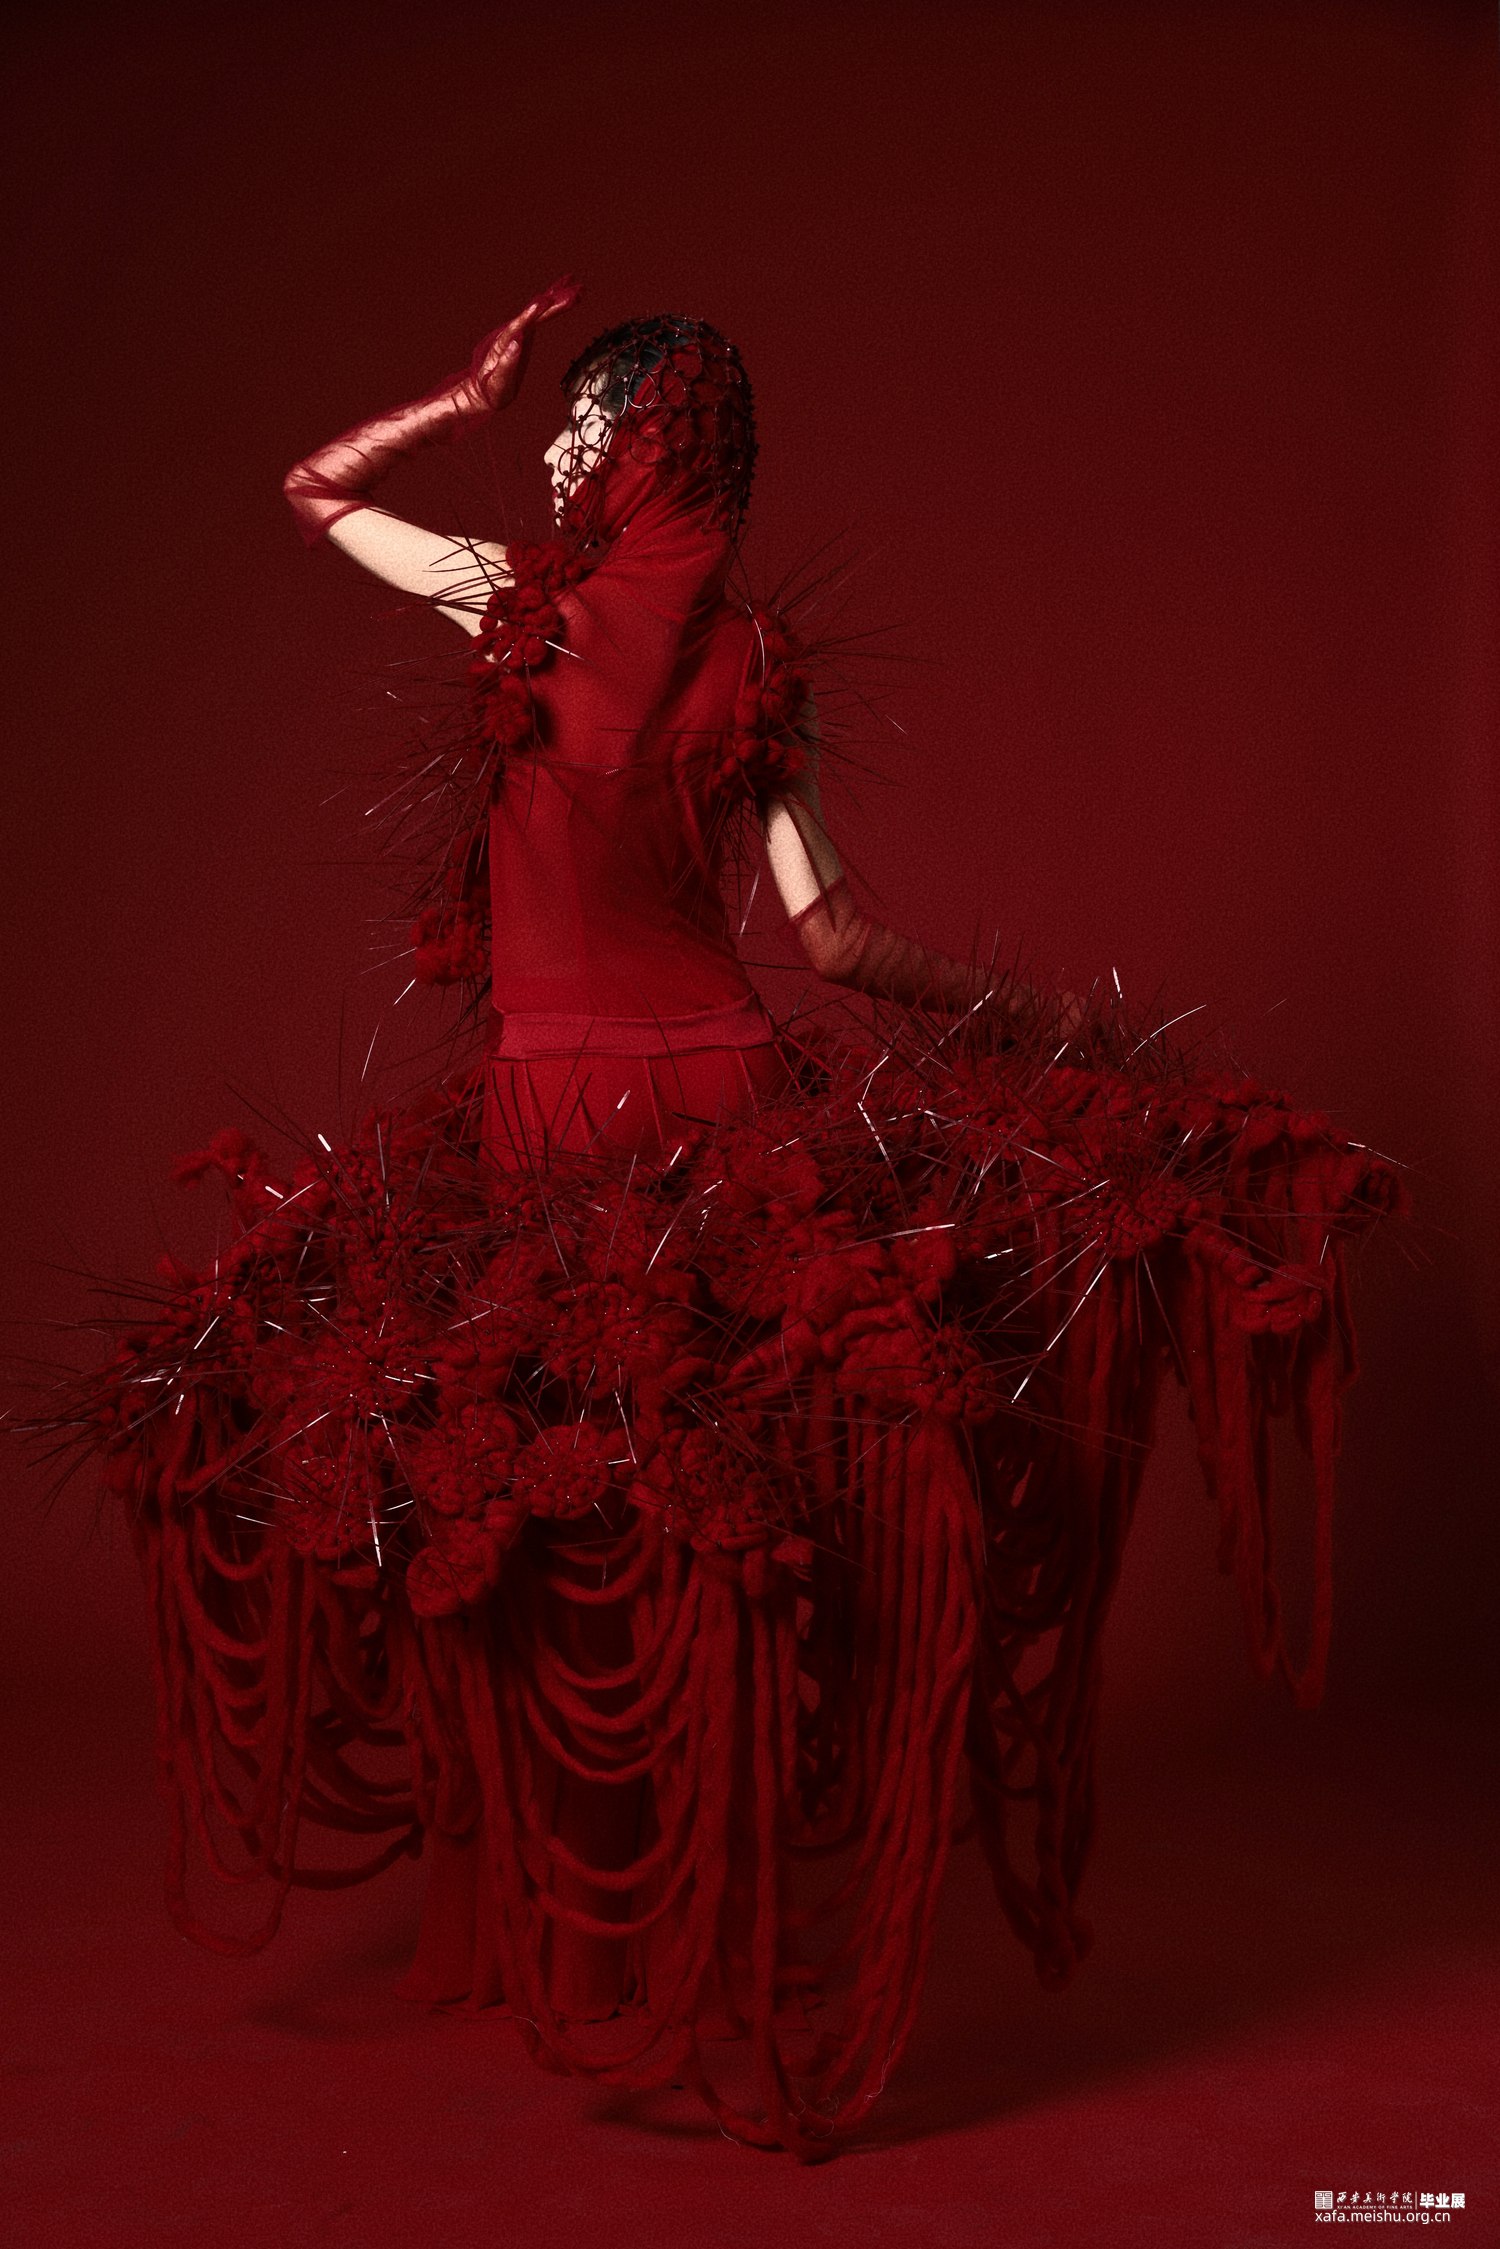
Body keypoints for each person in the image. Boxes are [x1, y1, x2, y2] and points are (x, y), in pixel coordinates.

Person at [53, 280, 1403, 2159]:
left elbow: (307, 491)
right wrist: (1042, 1019)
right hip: (723, 1121)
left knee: (564, 1519)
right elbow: (837, 940)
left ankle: (611, 1937)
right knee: (739, 1523)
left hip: (550, 1123)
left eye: (571, 422)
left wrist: (448, 399)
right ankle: (719, 1922)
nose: (549, 447)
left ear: (631, 442)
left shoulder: (507, 607)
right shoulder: (759, 661)